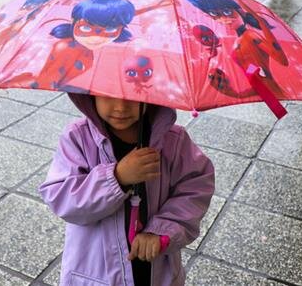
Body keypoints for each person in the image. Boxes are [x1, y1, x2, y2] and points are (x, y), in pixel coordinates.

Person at [41, 94, 214, 286]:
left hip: (154, 267)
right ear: (89, 93)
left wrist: (163, 230)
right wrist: (117, 178)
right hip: (97, 273)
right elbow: (61, 198)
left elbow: (195, 189)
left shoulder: (174, 141)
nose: (121, 107)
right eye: (108, 96)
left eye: (133, 96)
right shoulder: (77, 138)